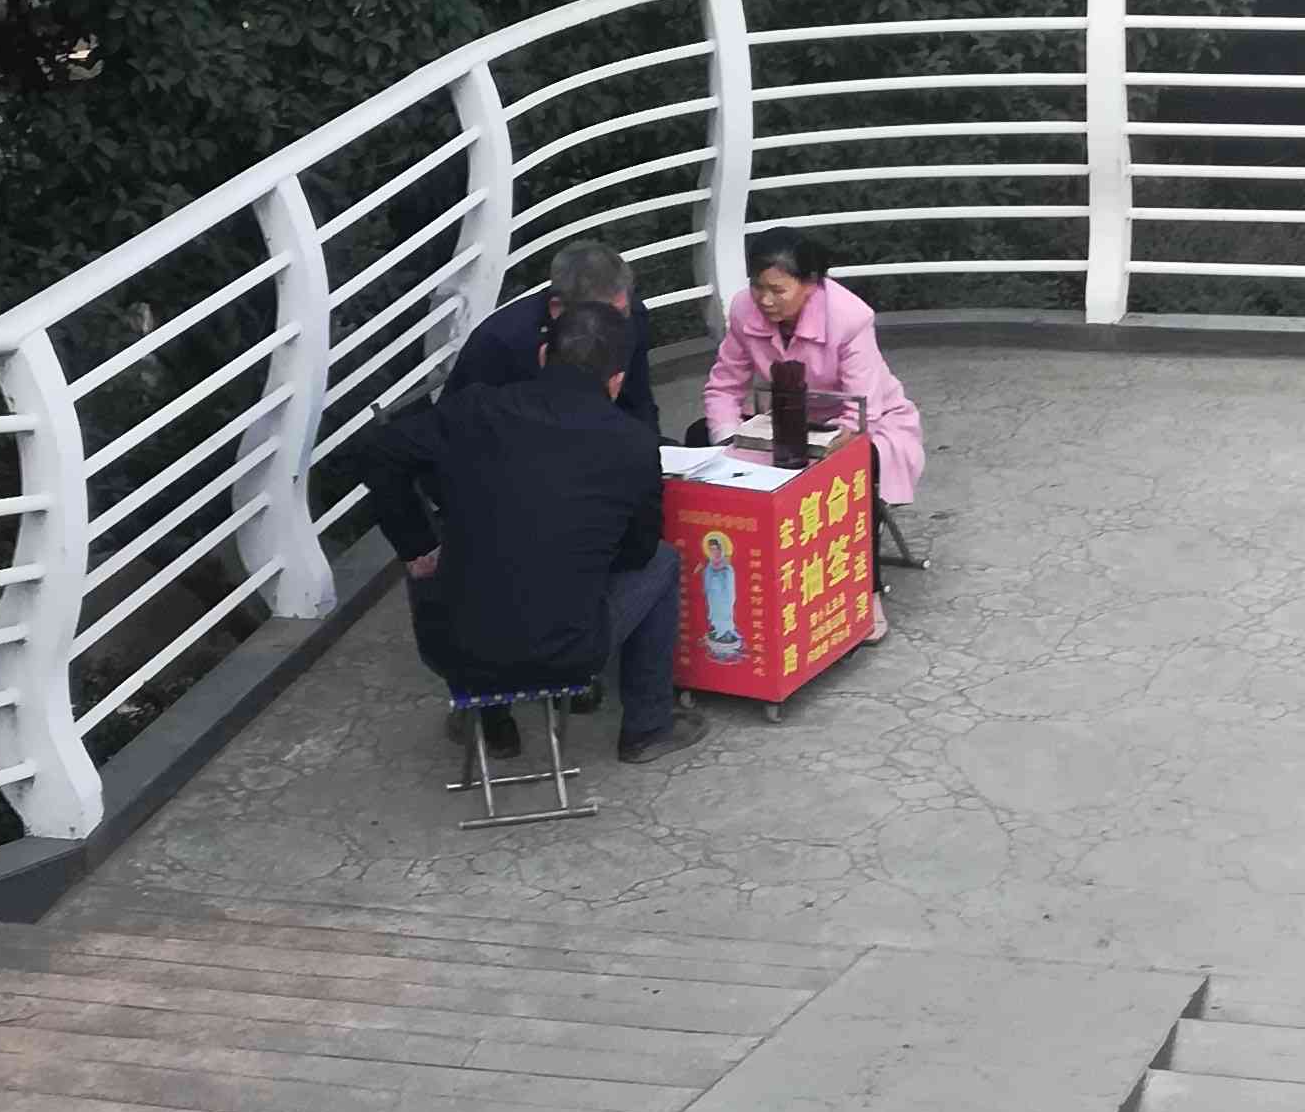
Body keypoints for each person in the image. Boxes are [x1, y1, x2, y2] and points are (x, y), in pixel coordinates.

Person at [361, 296, 699, 765]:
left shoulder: (475, 410)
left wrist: (417, 545)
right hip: (569, 653)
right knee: (663, 560)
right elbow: (637, 552)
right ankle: (648, 725)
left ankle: (493, 725)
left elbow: (379, 451)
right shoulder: (634, 443)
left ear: (543, 355)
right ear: (617, 380)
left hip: (451, 649)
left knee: (474, 559)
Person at [699, 230, 923, 638]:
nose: (765, 300)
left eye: (777, 290)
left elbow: (862, 407)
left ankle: (866, 591)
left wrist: (825, 449)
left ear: (811, 284)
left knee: (854, 469)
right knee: (701, 439)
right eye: (758, 287)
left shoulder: (850, 317)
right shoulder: (744, 310)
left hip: (863, 423)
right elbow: (724, 386)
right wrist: (726, 440)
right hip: (785, 418)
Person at [448, 234, 657, 432]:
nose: (614, 325)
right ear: (557, 308)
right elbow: (460, 424)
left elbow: (638, 403)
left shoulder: (633, 317)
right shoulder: (499, 342)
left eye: (621, 312)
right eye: (599, 315)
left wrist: (654, 449)